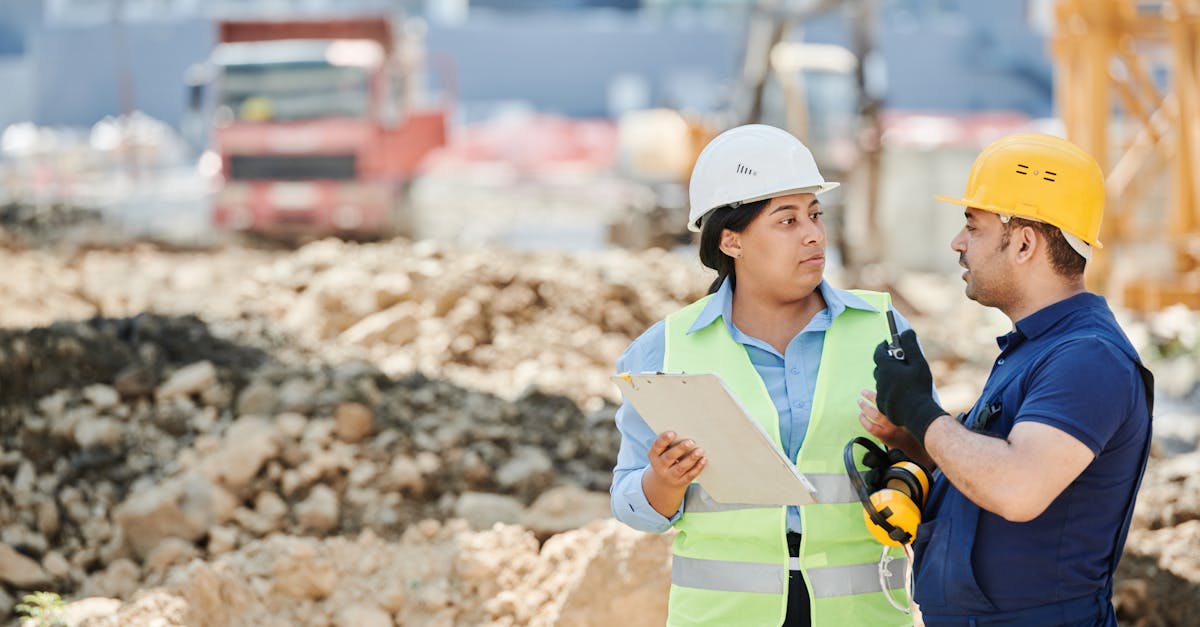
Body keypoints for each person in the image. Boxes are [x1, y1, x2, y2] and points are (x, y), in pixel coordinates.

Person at [611, 124, 917, 627]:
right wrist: (663, 482)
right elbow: (629, 503)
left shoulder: (882, 330)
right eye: (787, 220)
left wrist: (907, 451)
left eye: (815, 214)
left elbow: (937, 458)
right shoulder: (664, 349)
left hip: (861, 614)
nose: (813, 233)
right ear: (731, 240)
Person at [863, 133, 1154, 626]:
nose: (957, 243)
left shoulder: (1087, 358)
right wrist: (914, 446)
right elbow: (994, 473)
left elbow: (1018, 487)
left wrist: (920, 409)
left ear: (1024, 242)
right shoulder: (1037, 349)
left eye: (972, 227)